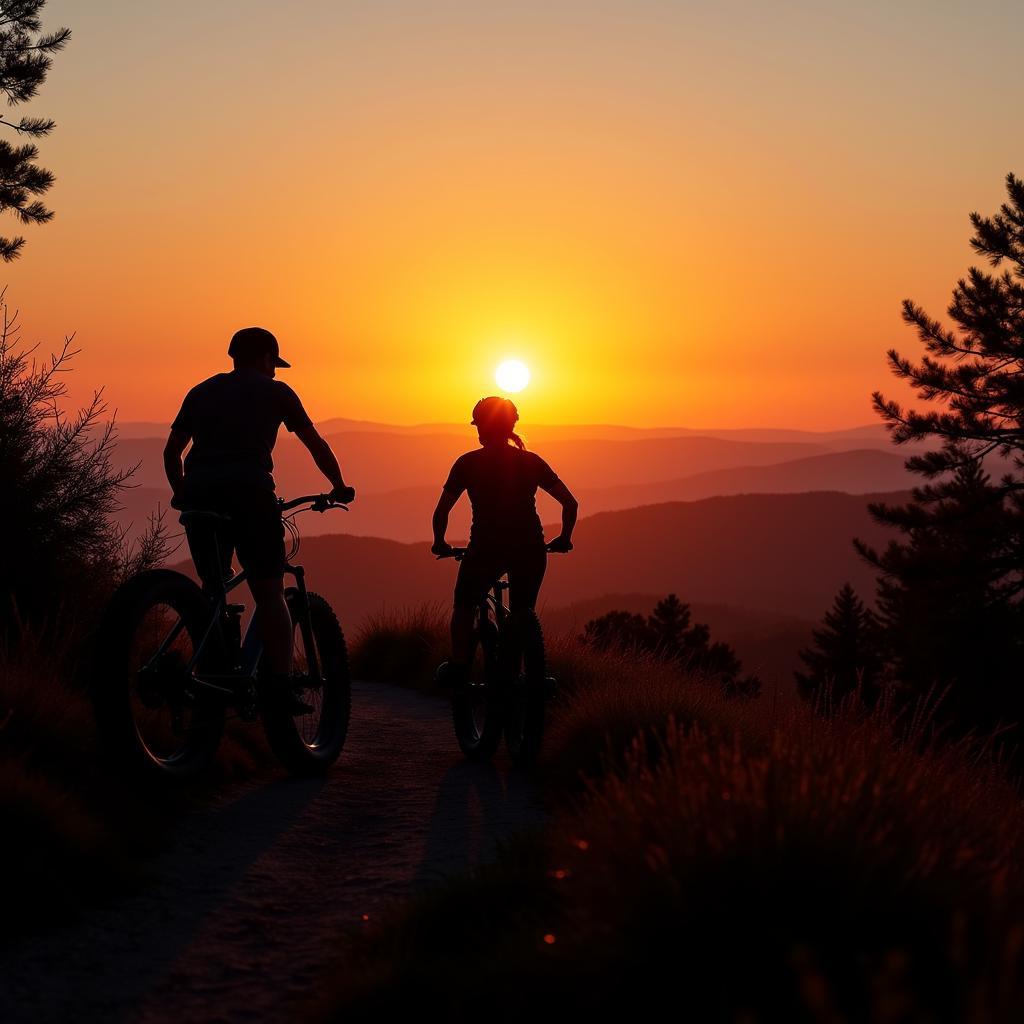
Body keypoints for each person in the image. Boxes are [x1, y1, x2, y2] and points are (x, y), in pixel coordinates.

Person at [163, 327, 355, 712]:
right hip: (250, 495)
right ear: (268, 359)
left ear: (234, 355)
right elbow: (315, 443)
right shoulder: (277, 392)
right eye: (274, 364)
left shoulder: (201, 391)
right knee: (269, 592)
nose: (274, 371)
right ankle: (281, 686)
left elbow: (173, 452)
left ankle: (211, 677)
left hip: (200, 496)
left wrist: (182, 491)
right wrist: (339, 484)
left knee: (212, 589)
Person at [431, 396, 577, 684]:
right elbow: (570, 504)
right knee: (524, 612)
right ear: (511, 425)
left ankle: (460, 666)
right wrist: (564, 538)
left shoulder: (467, 463)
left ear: (481, 428)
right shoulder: (532, 462)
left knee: (464, 605)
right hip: (531, 548)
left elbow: (442, 511)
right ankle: (526, 676)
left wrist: (439, 541)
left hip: (486, 548)